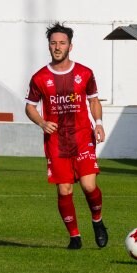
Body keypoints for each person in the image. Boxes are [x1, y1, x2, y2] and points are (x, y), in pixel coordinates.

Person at [24, 22, 108, 250]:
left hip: (82, 136)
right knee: (65, 189)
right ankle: (74, 236)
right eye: (53, 43)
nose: (57, 47)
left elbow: (93, 100)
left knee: (89, 186)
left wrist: (98, 123)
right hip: (57, 141)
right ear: (49, 46)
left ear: (70, 46)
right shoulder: (39, 78)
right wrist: (42, 122)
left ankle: (98, 222)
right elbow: (30, 107)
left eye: (62, 43)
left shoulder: (84, 73)